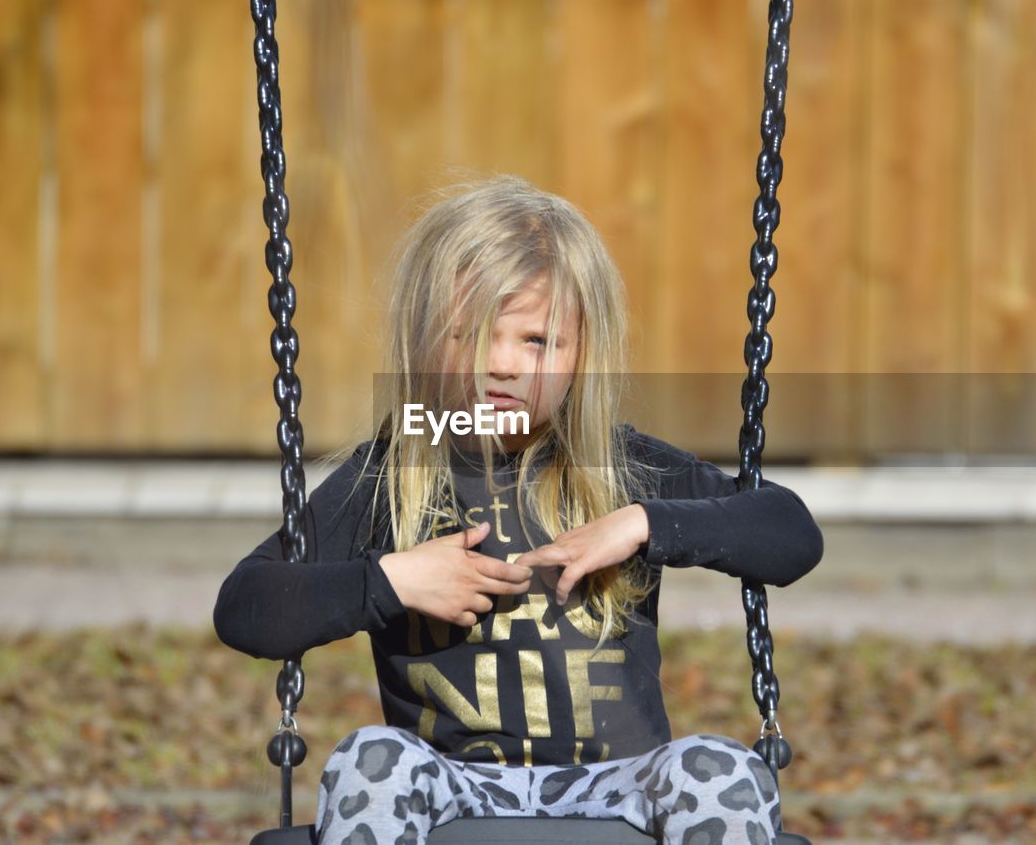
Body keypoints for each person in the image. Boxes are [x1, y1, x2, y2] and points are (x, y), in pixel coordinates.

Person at [213, 176, 823, 845]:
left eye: (537, 341)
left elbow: (790, 531)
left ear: (582, 355)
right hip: (449, 783)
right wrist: (389, 582)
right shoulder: (385, 480)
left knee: (719, 768)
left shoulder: (625, 469)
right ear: (422, 341)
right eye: (472, 334)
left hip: (618, 781)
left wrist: (645, 523)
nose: (502, 363)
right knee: (369, 761)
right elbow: (246, 607)